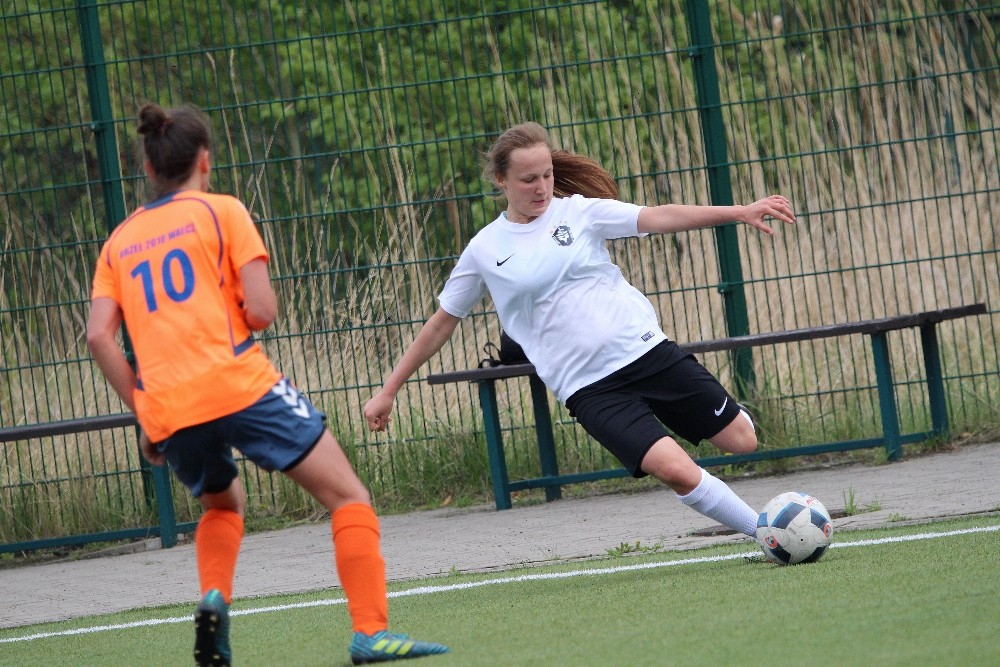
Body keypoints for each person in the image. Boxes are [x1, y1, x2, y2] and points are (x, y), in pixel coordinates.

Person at [86, 103, 449, 666]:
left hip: (171, 407)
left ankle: (214, 598)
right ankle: (370, 633)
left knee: (224, 507)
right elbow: (261, 311)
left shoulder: (119, 242)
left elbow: (98, 337)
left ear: (150, 168)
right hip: (240, 384)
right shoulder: (223, 211)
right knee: (348, 495)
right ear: (205, 161)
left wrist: (145, 409)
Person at [363, 121, 796, 540]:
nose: (541, 187)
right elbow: (441, 323)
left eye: (547, 175)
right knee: (676, 470)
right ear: (501, 180)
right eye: (528, 179)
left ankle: (733, 429)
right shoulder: (484, 250)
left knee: (742, 441)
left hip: (646, 353)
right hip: (590, 388)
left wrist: (740, 212)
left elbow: (658, 216)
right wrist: (389, 390)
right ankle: (766, 533)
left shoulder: (580, 212)